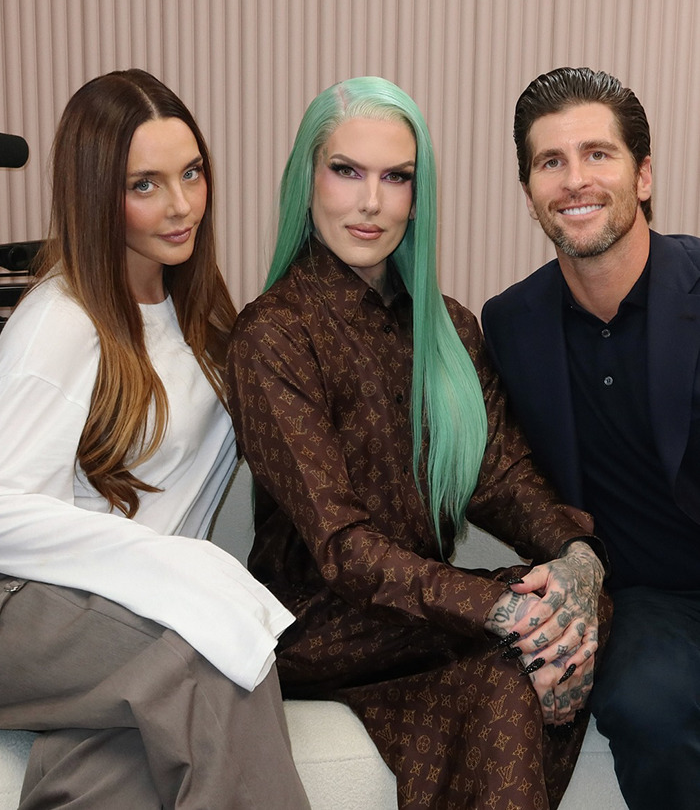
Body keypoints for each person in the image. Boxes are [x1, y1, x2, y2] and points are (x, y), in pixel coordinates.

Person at [227, 76, 610, 810]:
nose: (371, 202)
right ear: (307, 180)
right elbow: (342, 548)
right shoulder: (272, 334)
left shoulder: (450, 328)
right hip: (316, 622)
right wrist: (499, 611)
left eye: (396, 177)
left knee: (571, 608)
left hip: (417, 620)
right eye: (347, 170)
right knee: (528, 629)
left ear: (417, 193)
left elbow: (502, 476)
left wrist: (575, 556)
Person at [0, 69, 310, 810]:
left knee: (121, 764)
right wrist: (170, 567)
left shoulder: (204, 322)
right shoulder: (61, 320)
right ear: (94, 195)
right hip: (21, 603)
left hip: (113, 613)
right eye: (145, 185)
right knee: (216, 653)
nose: (181, 205)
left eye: (191, 173)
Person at [482, 66, 700, 810]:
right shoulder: (509, 325)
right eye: (551, 161)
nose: (575, 179)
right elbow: (500, 472)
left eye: (597, 154)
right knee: (644, 705)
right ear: (529, 192)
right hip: (648, 600)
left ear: (643, 175)